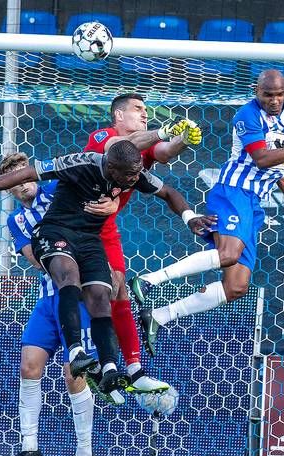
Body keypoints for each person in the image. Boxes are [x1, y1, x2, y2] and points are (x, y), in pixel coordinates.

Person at [0, 142, 209, 400]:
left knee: (101, 294)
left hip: (89, 239)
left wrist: (190, 217)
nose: (134, 179)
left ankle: (109, 369)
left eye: (136, 174)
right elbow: (29, 173)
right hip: (55, 232)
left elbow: (167, 192)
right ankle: (76, 351)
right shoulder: (79, 164)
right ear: (110, 167)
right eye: (129, 175)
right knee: (69, 277)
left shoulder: (134, 174)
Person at [129, 69, 284, 355]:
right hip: (233, 192)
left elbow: (278, 165)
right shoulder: (247, 116)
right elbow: (262, 159)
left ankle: (160, 316)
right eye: (267, 95)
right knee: (228, 255)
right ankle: (148, 280)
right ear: (256, 91)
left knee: (236, 286)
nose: (274, 101)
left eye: (279, 95)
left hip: (254, 202)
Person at [1, 152, 119, 456]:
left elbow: (99, 205)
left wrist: (110, 206)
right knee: (29, 365)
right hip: (47, 297)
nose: (23, 183)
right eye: (15, 180)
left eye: (26, 175)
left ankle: (84, 454)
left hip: (77, 297)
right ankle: (29, 447)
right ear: (9, 188)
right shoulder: (17, 221)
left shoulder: (59, 187)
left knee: (73, 372)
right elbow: (37, 260)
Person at [83, 93, 205, 392]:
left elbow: (162, 152)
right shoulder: (103, 136)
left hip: (106, 228)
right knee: (93, 290)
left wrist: (183, 139)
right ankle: (98, 363)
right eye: (138, 109)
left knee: (119, 287)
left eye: (147, 111)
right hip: (77, 224)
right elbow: (122, 147)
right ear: (118, 116)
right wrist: (165, 131)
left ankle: (134, 372)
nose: (145, 114)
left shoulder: (140, 149)